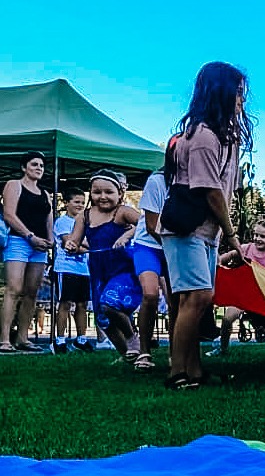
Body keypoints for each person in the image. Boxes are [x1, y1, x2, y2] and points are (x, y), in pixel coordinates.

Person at [160, 61, 249, 389]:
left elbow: (227, 188)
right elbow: (210, 190)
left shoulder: (226, 136)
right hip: (187, 228)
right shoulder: (202, 135)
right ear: (220, 92)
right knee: (196, 296)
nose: (241, 98)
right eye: (237, 92)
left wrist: (224, 231)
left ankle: (194, 370)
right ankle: (177, 372)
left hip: (207, 232)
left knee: (196, 299)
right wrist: (232, 234)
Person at [63, 171, 142, 361]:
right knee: (103, 319)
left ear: (120, 193)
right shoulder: (85, 216)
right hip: (99, 271)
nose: (103, 196)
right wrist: (71, 245)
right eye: (97, 192)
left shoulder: (122, 212)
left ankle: (132, 337)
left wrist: (127, 235)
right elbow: (75, 240)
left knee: (109, 304)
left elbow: (146, 224)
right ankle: (128, 356)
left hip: (123, 269)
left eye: (109, 192)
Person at [130, 135, 180, 372]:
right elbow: (152, 226)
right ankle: (144, 350)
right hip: (149, 245)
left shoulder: (192, 182)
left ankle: (175, 352)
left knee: (176, 301)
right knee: (150, 294)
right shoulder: (157, 181)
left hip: (174, 246)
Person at [1, 151, 53, 353]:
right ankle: (5, 339)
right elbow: (9, 215)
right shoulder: (14, 185)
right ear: (24, 167)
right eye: (34, 164)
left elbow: (48, 218)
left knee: (32, 292)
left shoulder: (45, 193)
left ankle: (23, 338)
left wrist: (50, 240)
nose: (39, 168)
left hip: (39, 247)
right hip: (18, 241)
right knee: (13, 289)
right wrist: (30, 236)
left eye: (41, 165)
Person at [212, 218, 265, 357]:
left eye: (262, 236)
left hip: (263, 298)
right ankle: (223, 348)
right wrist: (218, 263)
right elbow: (227, 256)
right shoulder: (246, 249)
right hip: (244, 296)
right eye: (255, 235)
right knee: (227, 319)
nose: (257, 238)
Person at [52, 187, 94, 354]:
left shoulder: (86, 223)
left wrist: (84, 246)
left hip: (83, 269)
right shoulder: (63, 222)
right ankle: (60, 340)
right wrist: (87, 247)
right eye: (76, 202)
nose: (80, 205)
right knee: (65, 303)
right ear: (66, 203)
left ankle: (81, 339)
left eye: (82, 202)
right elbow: (69, 243)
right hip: (65, 267)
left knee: (82, 304)